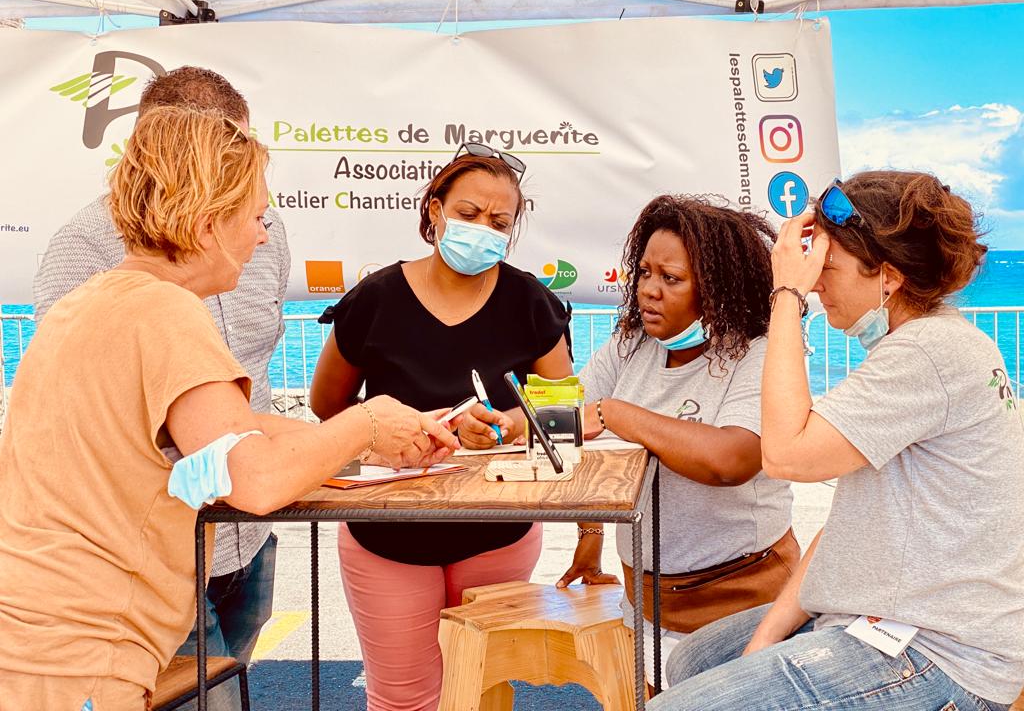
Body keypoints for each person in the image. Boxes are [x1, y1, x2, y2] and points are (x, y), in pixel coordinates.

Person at [0, 106, 459, 711]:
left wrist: (372, 440)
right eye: (256, 215)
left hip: (33, 633)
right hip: (85, 653)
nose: (263, 235)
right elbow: (254, 479)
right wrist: (366, 420)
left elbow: (217, 427)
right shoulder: (166, 312)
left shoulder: (92, 303)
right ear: (208, 223)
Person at [652, 171, 1024, 710]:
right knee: (694, 661)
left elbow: (783, 455)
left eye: (827, 269)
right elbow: (852, 524)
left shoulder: (927, 355)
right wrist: (765, 639)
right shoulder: (931, 342)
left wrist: (785, 296)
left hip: (940, 652)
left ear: (888, 277)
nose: (817, 284)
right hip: (884, 613)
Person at [33, 67, 287, 691]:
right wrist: (362, 427)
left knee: (227, 685)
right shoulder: (99, 260)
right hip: (148, 557)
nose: (257, 224)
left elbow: (243, 396)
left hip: (242, 541)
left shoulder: (262, 233)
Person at [310, 142, 574, 711]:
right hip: (387, 534)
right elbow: (328, 408)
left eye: (499, 222)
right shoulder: (374, 299)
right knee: (402, 700)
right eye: (469, 214)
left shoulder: (530, 301)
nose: (483, 229)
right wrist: (385, 432)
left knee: (481, 695)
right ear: (434, 209)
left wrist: (511, 425)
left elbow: (565, 418)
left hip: (497, 533)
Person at [556, 195, 798, 683]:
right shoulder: (631, 344)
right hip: (643, 602)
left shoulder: (759, 354)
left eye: (671, 279)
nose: (649, 290)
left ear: (719, 286)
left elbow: (731, 460)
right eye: (644, 272)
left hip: (739, 605)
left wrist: (618, 413)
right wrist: (507, 423)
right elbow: (569, 417)